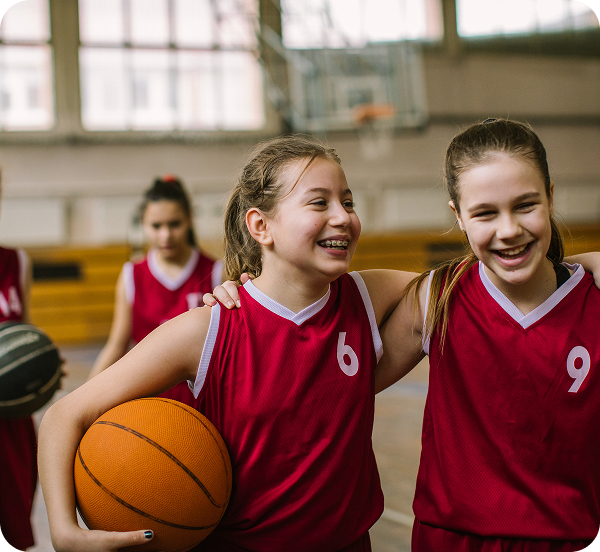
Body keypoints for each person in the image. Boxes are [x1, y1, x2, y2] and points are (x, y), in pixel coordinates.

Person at [207, 120, 600, 552]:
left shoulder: (590, 301)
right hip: (449, 541)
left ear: (550, 196)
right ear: (459, 216)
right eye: (486, 212)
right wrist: (254, 302)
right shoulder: (438, 297)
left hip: (572, 539)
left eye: (526, 205)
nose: (508, 229)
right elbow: (334, 391)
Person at [37, 136, 420, 552]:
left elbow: (456, 287)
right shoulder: (209, 328)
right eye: (318, 203)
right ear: (260, 226)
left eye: (348, 202)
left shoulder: (365, 295)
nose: (343, 216)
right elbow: (62, 417)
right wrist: (63, 530)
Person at [88, 175, 223, 406]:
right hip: (146, 400)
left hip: (201, 403)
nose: (165, 235)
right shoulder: (132, 274)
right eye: (156, 226)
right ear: (143, 223)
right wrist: (85, 397)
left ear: (189, 219)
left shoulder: (217, 272)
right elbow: (117, 345)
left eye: (174, 224)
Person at [0, 182, 37, 550]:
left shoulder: (16, 261)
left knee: (14, 538)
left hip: (11, 424)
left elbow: (26, 335)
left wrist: (40, 364)